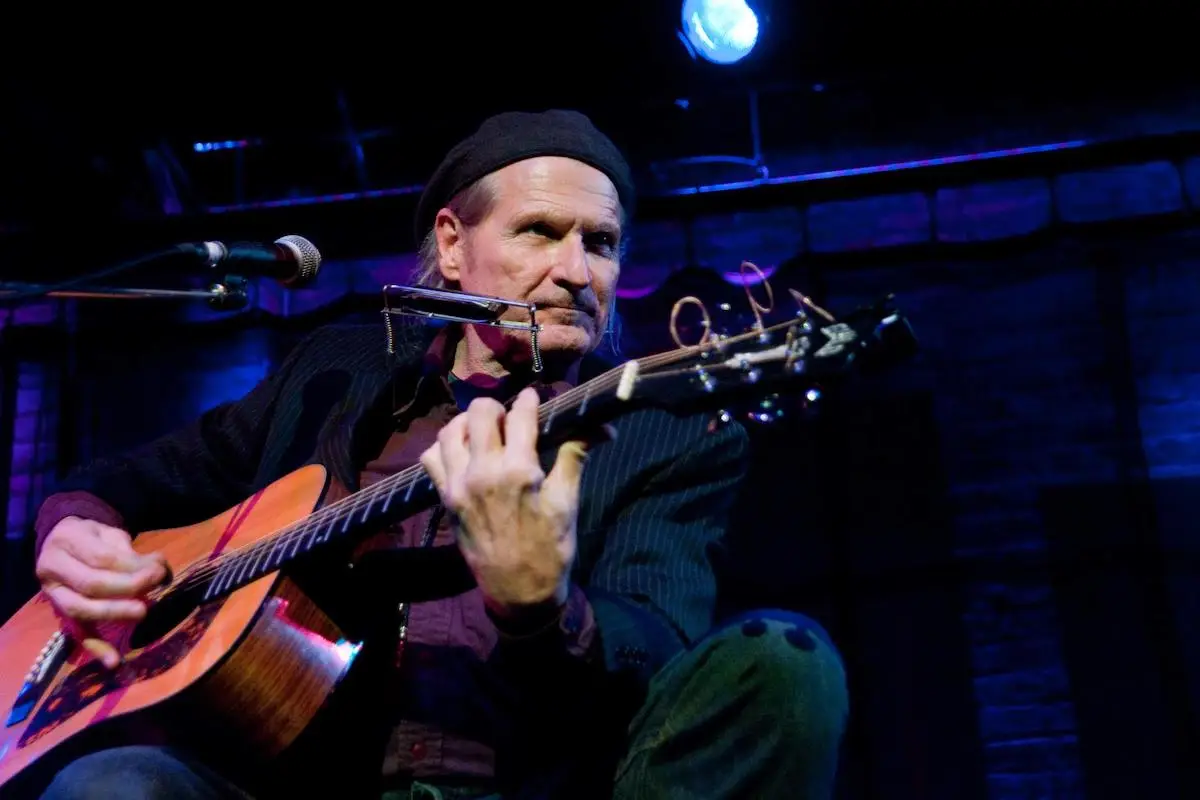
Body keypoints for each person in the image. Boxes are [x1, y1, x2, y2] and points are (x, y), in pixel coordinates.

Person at [28, 110, 849, 799]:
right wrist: (74, 529)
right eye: (539, 232)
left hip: (536, 780)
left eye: (600, 243)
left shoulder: (670, 431)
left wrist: (540, 607)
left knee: (786, 664)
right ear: (452, 246)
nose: (576, 272)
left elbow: (659, 652)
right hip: (289, 778)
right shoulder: (333, 373)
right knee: (113, 785)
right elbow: (129, 481)